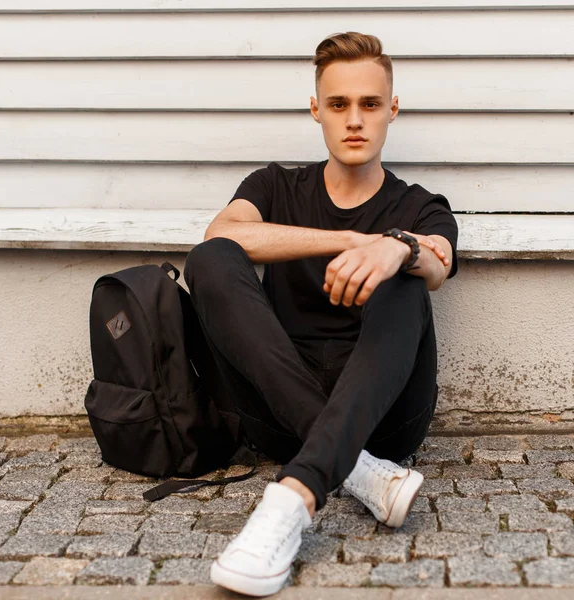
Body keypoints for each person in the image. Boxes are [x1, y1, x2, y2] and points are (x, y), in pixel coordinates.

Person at [184, 31, 458, 597]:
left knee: (405, 271)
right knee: (211, 258)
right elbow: (221, 234)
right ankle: (357, 473)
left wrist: (397, 247)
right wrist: (348, 239)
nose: (354, 120)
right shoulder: (274, 186)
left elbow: (438, 265)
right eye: (338, 105)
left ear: (392, 110)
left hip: (385, 420)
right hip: (278, 414)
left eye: (369, 105)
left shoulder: (419, 205)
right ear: (316, 110)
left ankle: (295, 496)